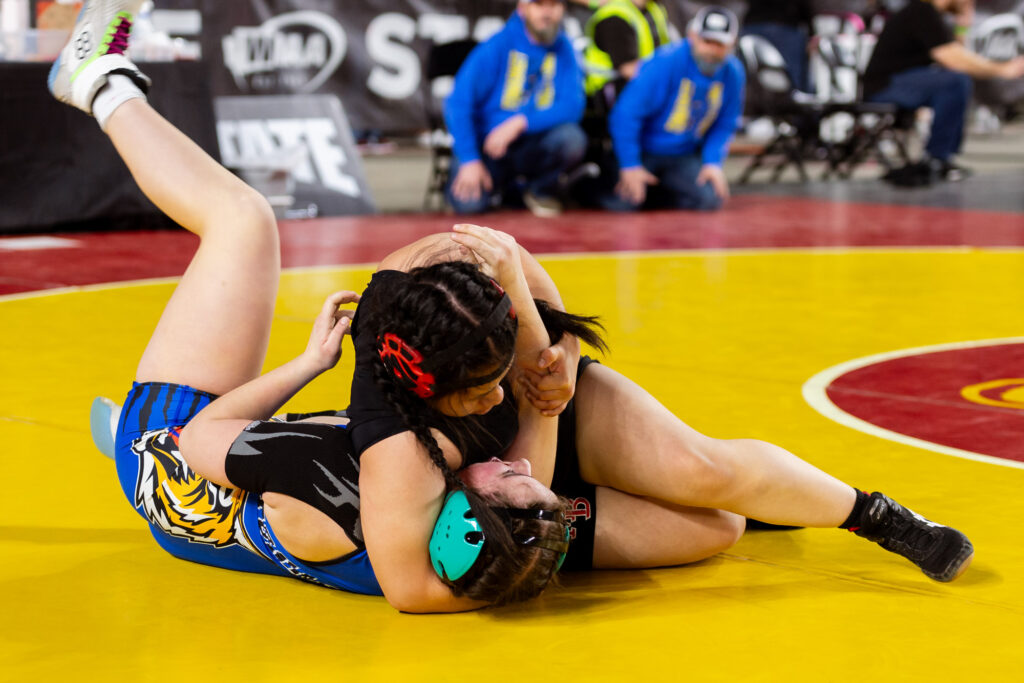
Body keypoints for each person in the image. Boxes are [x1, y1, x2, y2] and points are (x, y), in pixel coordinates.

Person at [59, 0, 570, 613]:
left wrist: (308, 363)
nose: (519, 468)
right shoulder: (465, 544)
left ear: (465, 509)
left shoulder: (336, 489)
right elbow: (534, 429)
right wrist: (544, 360)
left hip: (171, 447)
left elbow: (201, 437)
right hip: (238, 483)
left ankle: (99, 82)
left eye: (514, 482)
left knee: (243, 221)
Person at [351, 224, 974, 584]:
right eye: (481, 391)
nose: (496, 397)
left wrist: (559, 350)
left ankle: (879, 517)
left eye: (501, 372)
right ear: (432, 388)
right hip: (515, 483)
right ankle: (756, 501)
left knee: (702, 474)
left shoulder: (458, 265)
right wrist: (537, 427)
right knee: (720, 526)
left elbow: (534, 290)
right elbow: (412, 590)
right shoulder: (395, 442)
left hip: (552, 412)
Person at [444, 0, 587, 218]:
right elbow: (458, 103)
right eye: (539, 4)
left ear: (563, 9)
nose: (547, 12)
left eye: (554, 4)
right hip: (487, 148)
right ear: (523, 8)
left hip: (531, 144)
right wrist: (470, 159)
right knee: (469, 207)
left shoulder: (565, 48)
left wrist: (520, 122)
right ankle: (505, 191)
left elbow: (573, 107)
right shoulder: (496, 46)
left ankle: (537, 190)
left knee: (572, 139)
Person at [599, 5, 745, 212]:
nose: (712, 51)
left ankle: (655, 192)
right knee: (625, 203)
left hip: (683, 155)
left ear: (732, 45)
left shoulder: (733, 73)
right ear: (693, 36)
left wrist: (712, 161)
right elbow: (625, 115)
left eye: (720, 44)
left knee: (709, 199)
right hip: (645, 150)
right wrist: (630, 164)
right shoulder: (665, 61)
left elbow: (726, 123)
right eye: (707, 41)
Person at [863, 0, 1024, 186]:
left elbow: (957, 54)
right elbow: (953, 59)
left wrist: (963, 26)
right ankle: (937, 157)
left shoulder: (934, 15)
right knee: (954, 82)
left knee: (955, 80)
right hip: (884, 87)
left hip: (899, 83)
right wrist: (1002, 69)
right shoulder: (922, 10)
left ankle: (942, 156)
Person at [581, 0, 673, 101]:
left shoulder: (653, 8)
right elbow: (628, 70)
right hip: (612, 95)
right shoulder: (615, 16)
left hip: (647, 84)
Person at [741, 0, 815, 93]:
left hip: (755, 23)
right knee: (794, 83)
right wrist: (811, 32)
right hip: (785, 25)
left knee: (748, 76)